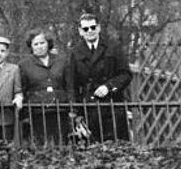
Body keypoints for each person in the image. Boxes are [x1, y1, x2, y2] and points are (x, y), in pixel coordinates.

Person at [66, 12, 132, 143]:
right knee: (91, 150)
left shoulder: (114, 47)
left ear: (99, 28)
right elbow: (71, 85)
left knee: (118, 149)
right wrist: (75, 113)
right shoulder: (75, 53)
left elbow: (126, 74)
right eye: (86, 29)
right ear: (80, 31)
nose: (90, 31)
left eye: (93, 27)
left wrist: (109, 87)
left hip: (112, 107)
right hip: (89, 109)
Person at [18, 30, 68, 147]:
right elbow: (23, 88)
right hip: (38, 111)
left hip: (60, 108)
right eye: (36, 44)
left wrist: (72, 108)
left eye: (42, 43)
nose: (39, 47)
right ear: (31, 46)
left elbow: (69, 85)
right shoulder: (24, 64)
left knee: (61, 144)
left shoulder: (62, 60)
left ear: (48, 43)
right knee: (41, 145)